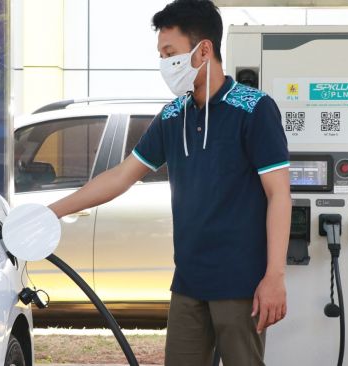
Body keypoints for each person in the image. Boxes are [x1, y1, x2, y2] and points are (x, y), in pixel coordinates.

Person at [48, 1, 291, 364]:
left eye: (170, 53)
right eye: (161, 54)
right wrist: (51, 212)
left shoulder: (254, 109)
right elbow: (121, 176)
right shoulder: (172, 116)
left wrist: (274, 276)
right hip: (188, 284)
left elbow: (279, 195)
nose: (165, 63)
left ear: (203, 50)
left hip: (241, 286)